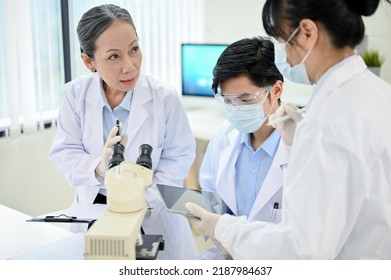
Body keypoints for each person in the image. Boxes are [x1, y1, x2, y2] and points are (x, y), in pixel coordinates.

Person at [186, 0, 391, 259]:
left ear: (307, 32)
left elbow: (303, 251)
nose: (280, 52)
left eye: (281, 39)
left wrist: (223, 228)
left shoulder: (326, 119)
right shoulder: (379, 94)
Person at [48, 4, 198, 260]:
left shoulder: (165, 98)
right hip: (93, 217)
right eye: (114, 56)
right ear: (89, 61)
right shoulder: (74, 95)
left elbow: (179, 159)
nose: (130, 66)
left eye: (134, 50)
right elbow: (65, 152)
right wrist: (98, 166)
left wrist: (137, 199)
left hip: (153, 218)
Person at [198, 37, 286, 259]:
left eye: (245, 100)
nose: (235, 109)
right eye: (228, 101)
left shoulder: (300, 148)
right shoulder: (223, 137)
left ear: (275, 90)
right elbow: (211, 197)